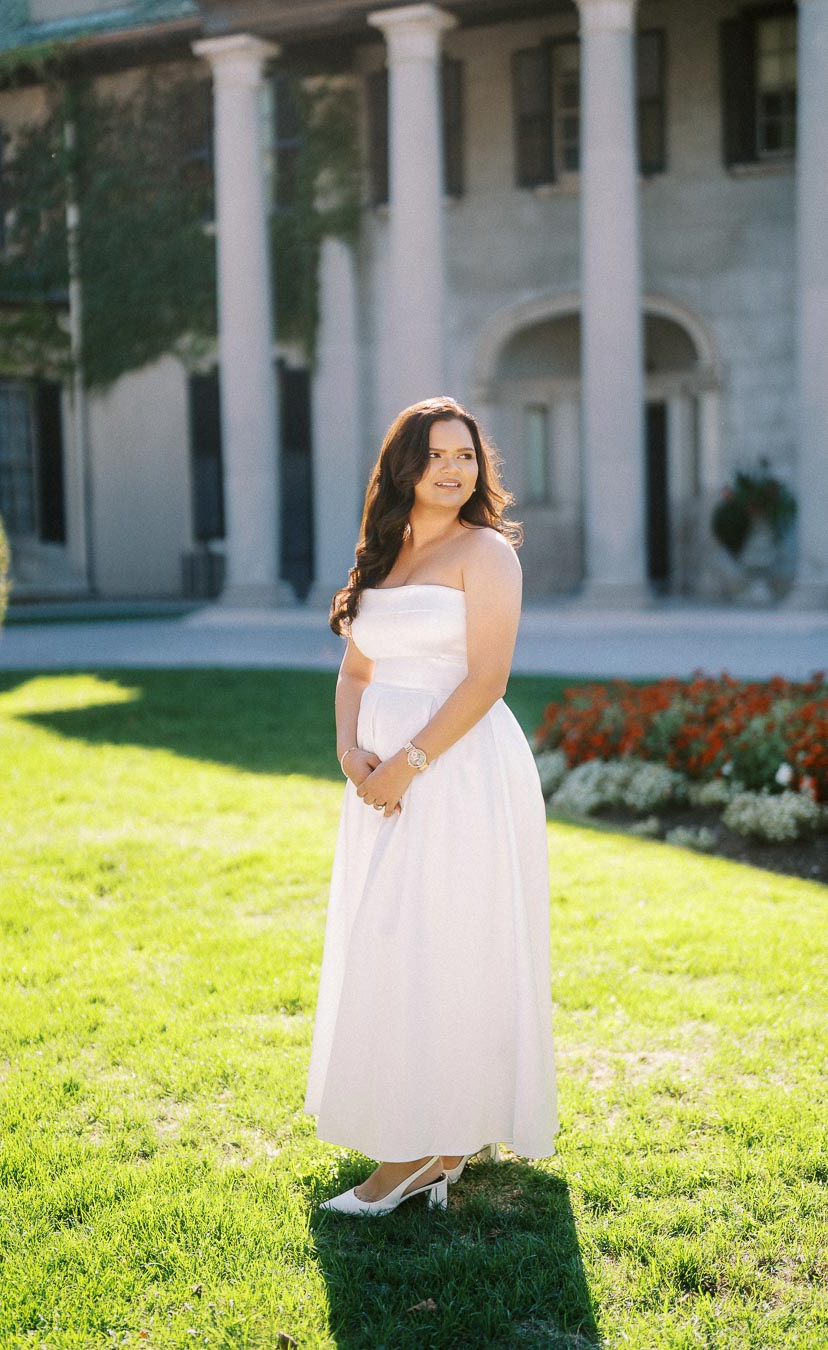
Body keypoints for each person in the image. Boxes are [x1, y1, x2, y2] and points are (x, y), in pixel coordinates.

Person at [304, 395, 558, 1216]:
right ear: (404, 467)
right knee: (396, 943)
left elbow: (487, 680)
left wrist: (408, 765)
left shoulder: (487, 552)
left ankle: (419, 1154)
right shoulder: (387, 550)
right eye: (437, 455)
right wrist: (351, 753)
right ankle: (435, 1139)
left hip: (456, 773)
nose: (454, 469)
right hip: (379, 781)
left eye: (466, 455)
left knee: (443, 941)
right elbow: (356, 670)